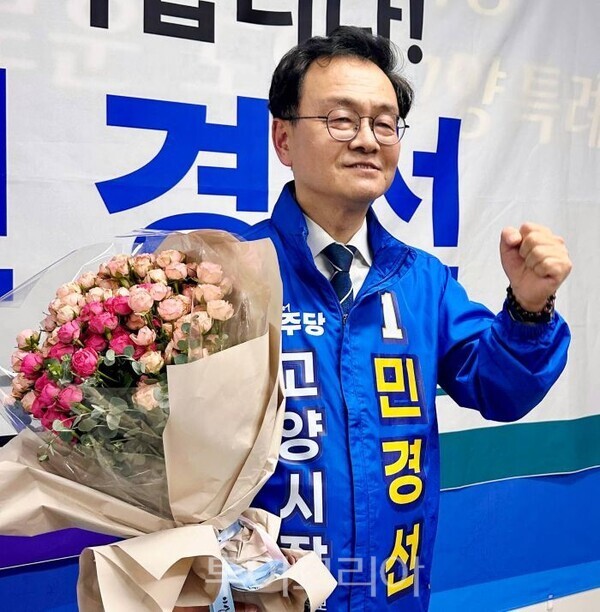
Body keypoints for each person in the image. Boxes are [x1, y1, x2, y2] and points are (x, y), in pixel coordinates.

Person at [194, 25, 572, 612]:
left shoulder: (422, 282)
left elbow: (500, 390)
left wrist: (528, 308)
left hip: (392, 590)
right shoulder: (228, 275)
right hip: (265, 595)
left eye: (385, 123)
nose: (368, 140)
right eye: (341, 120)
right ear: (283, 138)